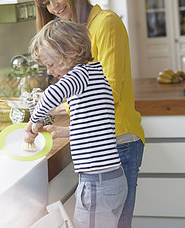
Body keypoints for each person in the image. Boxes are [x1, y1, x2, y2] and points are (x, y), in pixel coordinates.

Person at [32, 0, 145, 228]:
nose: (53, 6)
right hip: (103, 141)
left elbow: (110, 90)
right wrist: (63, 115)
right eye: (46, 3)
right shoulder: (77, 30)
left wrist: (47, 112)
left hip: (119, 139)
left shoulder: (105, 23)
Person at [24, 18, 127, 228]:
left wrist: (33, 123)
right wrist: (65, 131)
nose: (50, 72)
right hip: (112, 180)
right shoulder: (96, 75)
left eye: (50, 64)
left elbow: (52, 94)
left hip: (97, 183)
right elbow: (97, 126)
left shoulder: (80, 75)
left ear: (70, 52)